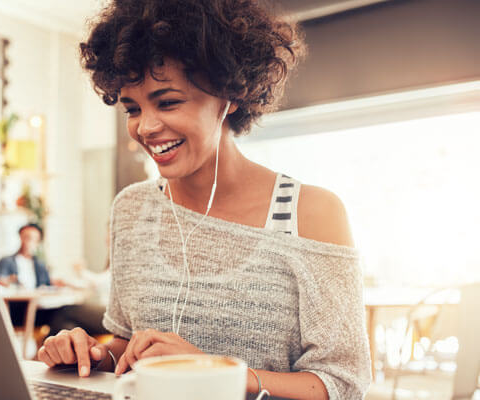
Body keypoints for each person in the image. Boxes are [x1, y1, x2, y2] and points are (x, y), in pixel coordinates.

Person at [37, 1, 371, 399]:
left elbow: (344, 384)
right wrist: (90, 354)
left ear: (230, 95)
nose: (145, 126)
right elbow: (129, 349)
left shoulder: (310, 213)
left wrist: (214, 371)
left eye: (168, 102)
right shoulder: (132, 210)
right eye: (133, 108)